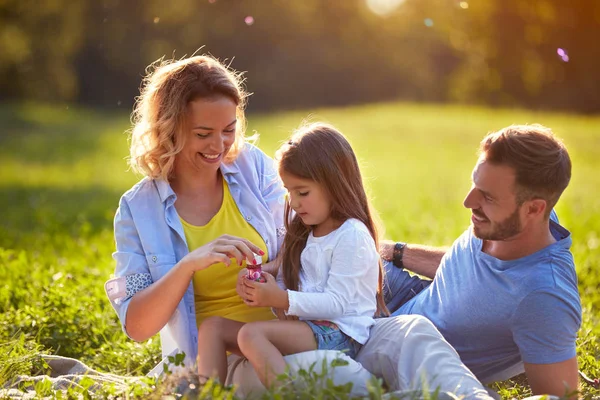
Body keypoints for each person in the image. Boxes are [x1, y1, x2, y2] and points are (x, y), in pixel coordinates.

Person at [104, 53, 492, 399]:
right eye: (203, 133)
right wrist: (190, 263)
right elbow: (138, 326)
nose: (219, 146)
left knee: (412, 331)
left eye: (228, 130)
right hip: (237, 358)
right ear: (169, 128)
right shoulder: (139, 210)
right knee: (332, 374)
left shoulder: (250, 167)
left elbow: (311, 235)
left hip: (316, 325)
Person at [381, 124, 582, 398]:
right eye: (475, 185)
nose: (468, 201)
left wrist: (547, 350)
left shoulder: (544, 297)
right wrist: (394, 252)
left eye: (487, 197)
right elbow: (467, 273)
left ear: (535, 209)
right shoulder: (514, 223)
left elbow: (562, 396)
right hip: (405, 299)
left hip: (410, 357)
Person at [226, 123, 385, 387]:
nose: (294, 202)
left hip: (339, 334)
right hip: (313, 329)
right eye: (289, 191)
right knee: (218, 329)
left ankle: (288, 394)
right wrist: (266, 281)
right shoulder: (307, 231)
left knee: (251, 336)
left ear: (334, 184)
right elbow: (295, 281)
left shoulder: (351, 235)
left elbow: (337, 304)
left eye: (303, 192)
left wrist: (280, 298)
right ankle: (202, 390)